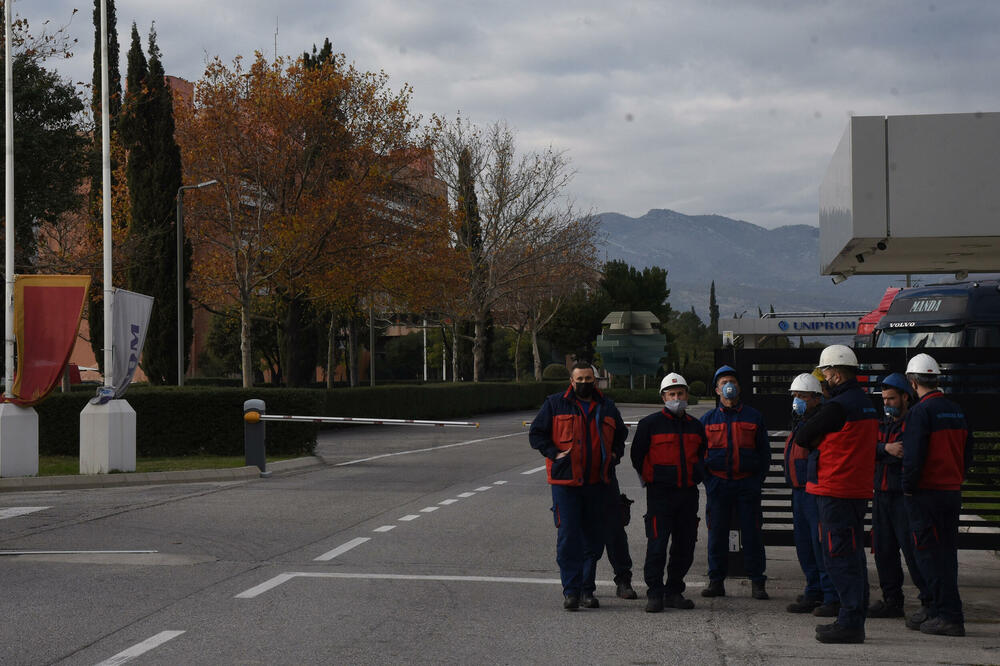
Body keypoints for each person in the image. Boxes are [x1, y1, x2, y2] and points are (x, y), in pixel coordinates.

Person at [794, 344, 879, 644]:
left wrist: (818, 434)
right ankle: (853, 616)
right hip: (855, 489)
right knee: (853, 556)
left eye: (826, 372)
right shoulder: (866, 403)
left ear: (838, 374)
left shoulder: (837, 407)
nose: (824, 379)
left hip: (835, 488)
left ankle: (850, 622)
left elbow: (803, 436)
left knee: (838, 556)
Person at [529, 361, 628, 611]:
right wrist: (554, 453)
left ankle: (587, 590)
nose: (584, 383)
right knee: (568, 539)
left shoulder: (607, 406)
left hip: (598, 483)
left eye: (588, 379)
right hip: (567, 484)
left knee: (593, 541)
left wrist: (615, 455)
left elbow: (620, 435)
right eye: (579, 379)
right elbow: (536, 434)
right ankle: (571, 591)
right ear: (571, 382)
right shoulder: (554, 403)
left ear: (594, 380)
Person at [901, 353, 973, 636]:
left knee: (930, 556)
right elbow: (968, 451)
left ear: (913, 381)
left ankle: (948, 614)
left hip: (926, 494)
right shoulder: (956, 409)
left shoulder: (921, 412)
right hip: (950, 491)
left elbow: (914, 457)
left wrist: (908, 487)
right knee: (945, 555)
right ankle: (935, 609)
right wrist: (956, 475)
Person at [630, 372, 707, 612]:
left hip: (688, 495)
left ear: (686, 395)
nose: (676, 398)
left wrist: (697, 475)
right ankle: (655, 593)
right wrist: (654, 479)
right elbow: (637, 456)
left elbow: (704, 455)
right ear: (663, 397)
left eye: (680, 393)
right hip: (660, 496)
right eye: (671, 394)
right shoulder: (649, 425)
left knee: (685, 546)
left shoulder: (696, 426)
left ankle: (674, 591)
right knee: (657, 544)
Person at [700, 365, 771, 600]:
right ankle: (716, 581)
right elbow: (699, 455)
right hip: (718, 486)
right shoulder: (707, 420)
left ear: (738, 387)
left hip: (746, 485)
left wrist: (755, 481)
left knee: (752, 535)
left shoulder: (754, 417)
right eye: (723, 382)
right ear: (717, 390)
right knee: (717, 535)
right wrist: (709, 482)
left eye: (731, 381)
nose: (728, 385)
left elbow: (764, 454)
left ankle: (757, 582)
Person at [869, 373, 931, 620]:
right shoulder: (881, 425)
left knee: (913, 550)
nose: (887, 404)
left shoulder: (913, 423)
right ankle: (892, 600)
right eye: (884, 399)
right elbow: (866, 449)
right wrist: (885, 449)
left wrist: (883, 452)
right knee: (884, 551)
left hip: (904, 497)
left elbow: (907, 452)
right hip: (881, 495)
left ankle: (929, 601)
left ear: (906, 397)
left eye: (892, 398)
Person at [783, 373, 839, 616]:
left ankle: (830, 595)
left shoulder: (822, 421)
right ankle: (814, 590)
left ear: (816, 398)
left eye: (802, 396)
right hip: (799, 492)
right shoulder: (800, 421)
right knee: (804, 544)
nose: (797, 400)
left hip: (815, 492)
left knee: (819, 545)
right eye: (795, 396)